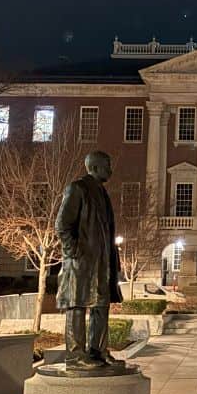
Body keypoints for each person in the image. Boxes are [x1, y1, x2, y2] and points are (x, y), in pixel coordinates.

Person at [55, 150, 124, 370]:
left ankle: (99, 351)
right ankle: (75, 356)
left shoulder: (102, 193)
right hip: (81, 262)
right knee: (77, 305)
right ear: (94, 167)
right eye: (107, 165)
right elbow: (63, 225)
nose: (110, 169)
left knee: (101, 305)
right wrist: (74, 251)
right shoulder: (78, 188)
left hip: (101, 262)